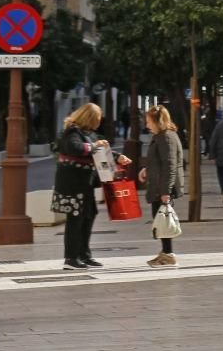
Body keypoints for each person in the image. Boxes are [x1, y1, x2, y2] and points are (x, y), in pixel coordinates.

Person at [50, 103, 130, 271]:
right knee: (75, 220)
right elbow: (77, 148)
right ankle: (71, 258)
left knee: (88, 216)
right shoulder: (71, 132)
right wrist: (95, 146)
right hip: (72, 185)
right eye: (97, 119)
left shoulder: (87, 134)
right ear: (89, 118)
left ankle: (84, 255)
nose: (99, 122)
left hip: (85, 184)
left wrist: (118, 157)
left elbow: (97, 150)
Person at [138, 105, 184, 267]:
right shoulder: (160, 136)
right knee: (161, 219)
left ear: (158, 121)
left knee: (163, 219)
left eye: (149, 121)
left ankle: (168, 254)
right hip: (158, 185)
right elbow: (159, 160)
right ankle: (166, 253)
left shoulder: (166, 137)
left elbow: (170, 165)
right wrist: (147, 169)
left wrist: (166, 191)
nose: (147, 125)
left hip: (162, 187)